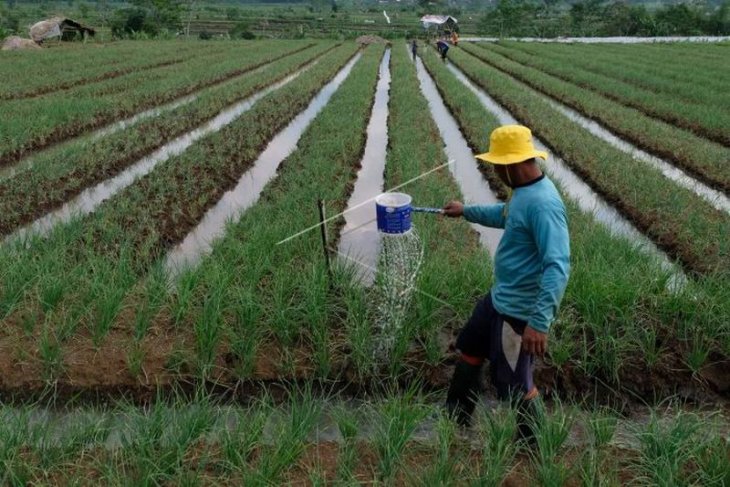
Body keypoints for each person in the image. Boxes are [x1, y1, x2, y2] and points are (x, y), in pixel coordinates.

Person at [441, 125, 571, 443]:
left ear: (512, 165)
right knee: (469, 348)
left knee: (515, 384)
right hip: (499, 299)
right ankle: (455, 421)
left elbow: (558, 266)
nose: (495, 171)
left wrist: (539, 323)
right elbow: (506, 214)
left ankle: (534, 447)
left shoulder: (544, 205)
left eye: (498, 166)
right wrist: (466, 211)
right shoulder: (525, 192)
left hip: (518, 312)